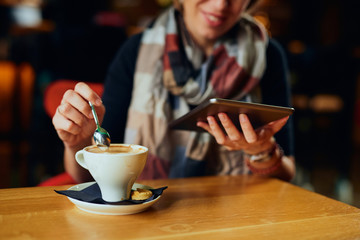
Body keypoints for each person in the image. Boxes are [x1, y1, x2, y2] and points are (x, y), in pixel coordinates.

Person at [52, 0, 296, 183]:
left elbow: (287, 175)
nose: (221, 4)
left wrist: (261, 150)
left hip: (239, 219)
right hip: (146, 218)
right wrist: (78, 144)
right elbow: (89, 179)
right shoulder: (135, 52)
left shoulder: (268, 55)